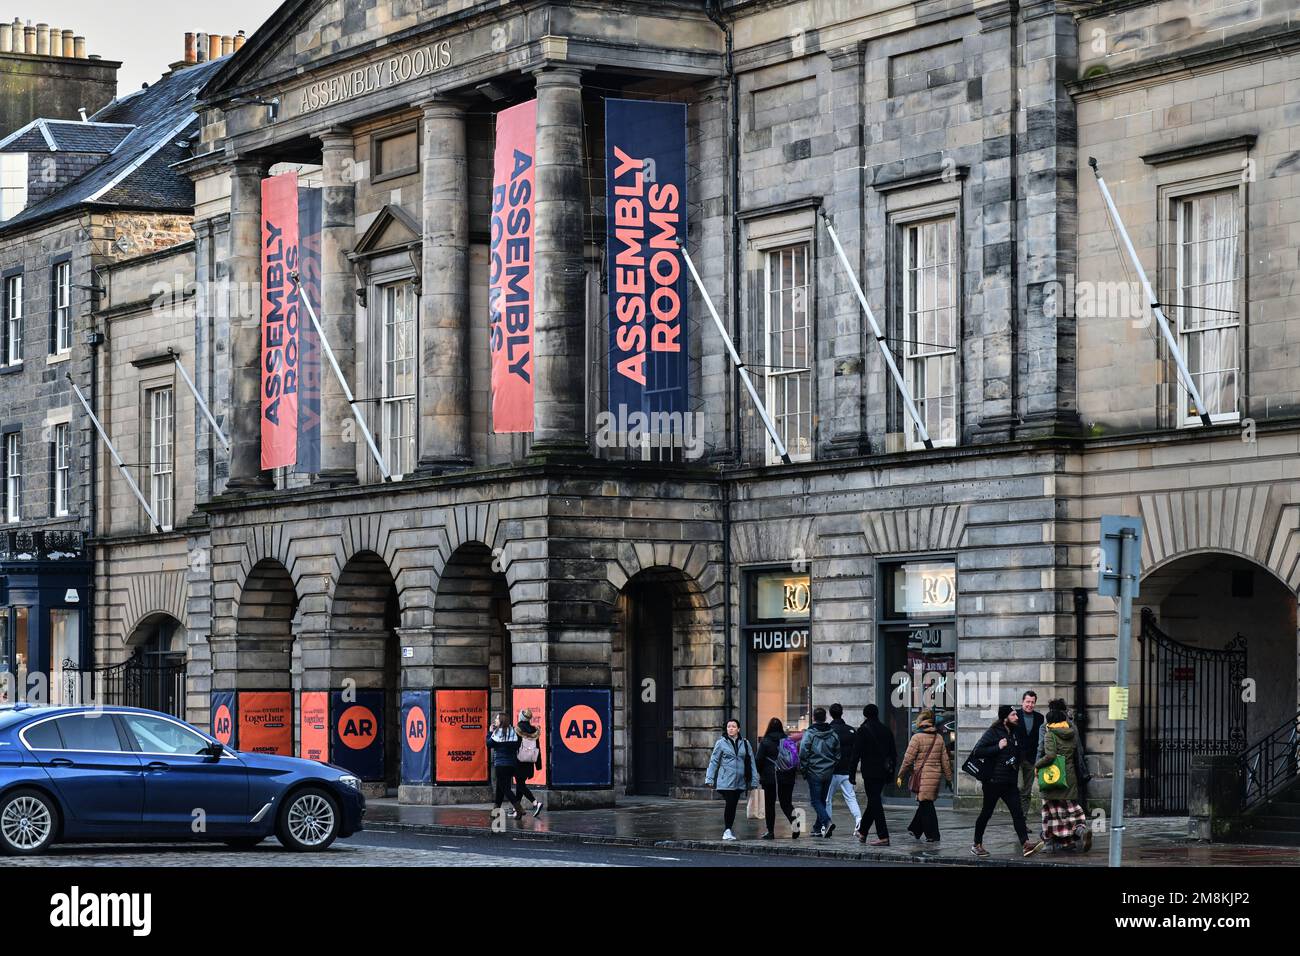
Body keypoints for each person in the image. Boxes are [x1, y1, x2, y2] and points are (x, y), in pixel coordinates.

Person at [970, 705, 1040, 857]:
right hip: (993, 782)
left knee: (1018, 813)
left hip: (1009, 782)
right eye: (1014, 715)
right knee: (986, 813)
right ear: (1005, 718)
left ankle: (1026, 843)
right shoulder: (993, 732)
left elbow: (1017, 752)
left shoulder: (1014, 733)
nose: (1017, 717)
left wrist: (1019, 757)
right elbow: (978, 751)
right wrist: (997, 746)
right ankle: (977, 844)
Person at [1035, 701, 1092, 853]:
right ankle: (1074, 835)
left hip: (1052, 775)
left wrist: (1037, 767)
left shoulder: (1047, 731)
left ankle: (1049, 841)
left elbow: (1044, 752)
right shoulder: (1072, 729)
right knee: (1069, 807)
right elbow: (1078, 752)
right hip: (1070, 774)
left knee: (1049, 810)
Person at [896, 709, 952, 842]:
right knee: (925, 802)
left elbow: (908, 759)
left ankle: (933, 835)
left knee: (926, 804)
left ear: (920, 722)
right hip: (935, 776)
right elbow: (945, 760)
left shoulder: (916, 738)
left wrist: (900, 775)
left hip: (922, 776)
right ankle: (915, 829)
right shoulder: (938, 738)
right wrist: (949, 778)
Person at [705, 718, 760, 840]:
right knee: (730, 803)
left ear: (738, 729)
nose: (731, 728)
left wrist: (754, 780)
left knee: (733, 805)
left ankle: (728, 828)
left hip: (740, 780)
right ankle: (727, 830)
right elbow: (714, 761)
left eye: (733, 726)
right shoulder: (721, 743)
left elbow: (751, 762)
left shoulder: (745, 743)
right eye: (729, 726)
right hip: (725, 780)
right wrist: (709, 778)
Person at [854, 703, 896, 845]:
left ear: (865, 715)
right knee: (874, 801)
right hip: (883, 772)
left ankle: (883, 836)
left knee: (875, 802)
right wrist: (891, 774)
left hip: (869, 773)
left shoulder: (863, 730)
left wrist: (851, 774)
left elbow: (855, 754)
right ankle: (863, 832)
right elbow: (894, 754)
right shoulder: (886, 730)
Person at [798, 707, 841, 837]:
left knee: (815, 801)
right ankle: (817, 828)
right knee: (821, 800)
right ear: (825, 718)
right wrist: (832, 765)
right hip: (828, 772)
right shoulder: (833, 734)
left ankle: (826, 822)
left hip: (814, 771)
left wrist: (805, 769)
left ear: (813, 718)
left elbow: (803, 753)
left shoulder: (810, 734)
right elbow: (838, 754)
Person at [755, 717, 799, 840]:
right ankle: (795, 823)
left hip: (770, 778)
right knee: (786, 803)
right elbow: (794, 760)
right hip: (787, 777)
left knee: (769, 805)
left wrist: (759, 773)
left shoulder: (766, 741)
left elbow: (759, 760)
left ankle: (770, 832)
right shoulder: (788, 741)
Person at [826, 703, 862, 835]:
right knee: (851, 797)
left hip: (832, 771)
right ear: (842, 713)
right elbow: (856, 751)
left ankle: (826, 824)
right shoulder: (851, 730)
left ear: (830, 714)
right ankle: (859, 820)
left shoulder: (828, 730)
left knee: (827, 799)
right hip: (847, 770)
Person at [486, 712, 524, 819]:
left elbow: (488, 744)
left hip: (501, 765)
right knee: (500, 787)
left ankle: (519, 808)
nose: (495, 721)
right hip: (512, 764)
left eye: (497, 719)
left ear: (502, 721)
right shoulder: (513, 732)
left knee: (505, 788)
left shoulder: (497, 733)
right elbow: (517, 744)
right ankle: (495, 811)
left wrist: (490, 733)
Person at [1014, 690, 1045, 819]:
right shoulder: (1014, 715)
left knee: (1026, 791)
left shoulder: (1039, 717)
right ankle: (1017, 816)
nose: (1030, 704)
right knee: (1019, 787)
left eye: (1032, 702)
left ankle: (1023, 819)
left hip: (1032, 759)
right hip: (1017, 758)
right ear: (1022, 702)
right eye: (1028, 701)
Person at [514, 707, 544, 818]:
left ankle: (536, 803)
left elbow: (514, 746)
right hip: (529, 762)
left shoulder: (517, 729)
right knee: (520, 784)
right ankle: (517, 810)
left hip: (519, 761)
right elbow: (538, 748)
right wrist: (538, 765)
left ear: (521, 717)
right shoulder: (534, 731)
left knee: (520, 785)